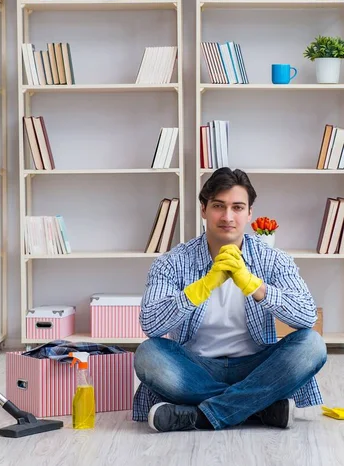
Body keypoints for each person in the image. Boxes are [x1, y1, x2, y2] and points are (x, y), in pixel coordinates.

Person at [133, 167, 327, 432]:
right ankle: (258, 407)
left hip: (258, 366)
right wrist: (204, 286)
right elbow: (151, 325)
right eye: (218, 206)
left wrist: (254, 286)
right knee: (148, 354)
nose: (227, 217)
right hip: (195, 367)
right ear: (203, 209)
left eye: (237, 207)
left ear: (249, 214)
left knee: (313, 345)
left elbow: (307, 316)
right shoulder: (172, 262)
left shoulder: (273, 259)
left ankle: (200, 416)